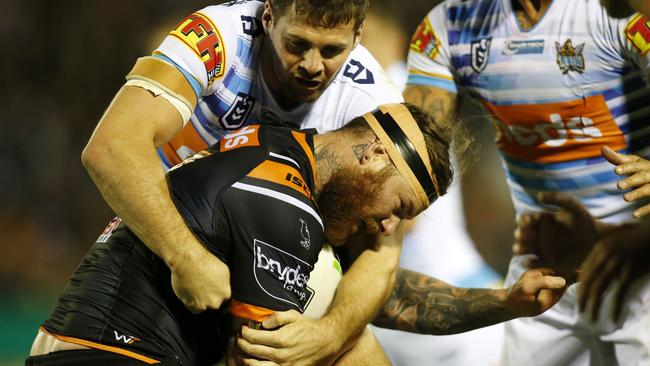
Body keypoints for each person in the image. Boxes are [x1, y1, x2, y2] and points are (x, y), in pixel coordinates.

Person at [77, 0, 412, 364]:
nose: (313, 66)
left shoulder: (374, 103)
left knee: (359, 352)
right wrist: (184, 256)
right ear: (268, 16)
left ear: (357, 36)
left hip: (275, 258)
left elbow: (382, 252)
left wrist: (328, 334)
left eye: (332, 50)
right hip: (171, 247)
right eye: (297, 44)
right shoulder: (216, 37)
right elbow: (111, 147)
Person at [28, 103, 460, 365]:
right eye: (399, 207)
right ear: (374, 155)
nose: (387, 226)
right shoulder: (286, 206)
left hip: (77, 343)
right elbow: (259, 361)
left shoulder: (269, 143)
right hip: (119, 355)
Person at [364, 0, 650, 365]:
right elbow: (412, 166)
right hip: (544, 279)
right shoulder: (447, 28)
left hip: (637, 265)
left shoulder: (619, 15)